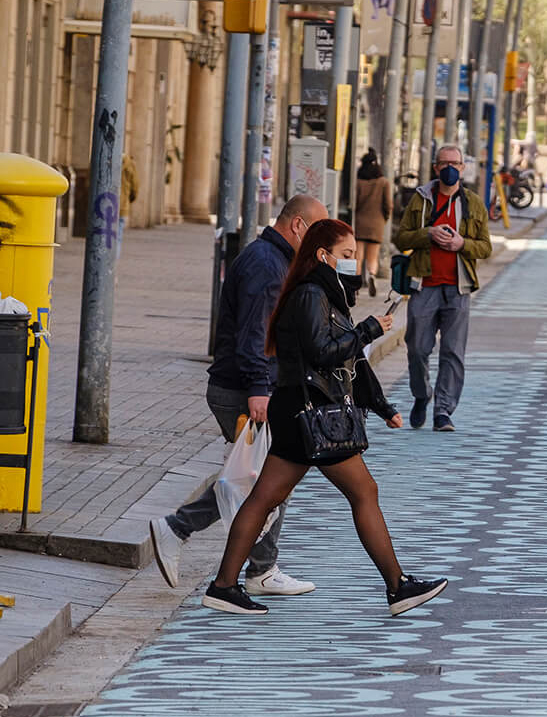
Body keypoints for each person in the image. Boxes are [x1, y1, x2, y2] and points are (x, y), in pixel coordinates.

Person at [200, 217, 448, 617]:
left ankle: (224, 586)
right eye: (346, 255)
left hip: (300, 410)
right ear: (323, 255)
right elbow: (324, 352)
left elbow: (347, 360)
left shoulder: (323, 292)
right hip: (312, 413)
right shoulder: (311, 294)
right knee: (363, 492)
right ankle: (397, 586)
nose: (353, 262)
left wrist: (383, 406)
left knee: (265, 497)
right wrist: (368, 330)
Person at [150, 194, 327, 597]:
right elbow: (254, 336)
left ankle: (260, 567)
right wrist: (259, 389)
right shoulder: (267, 266)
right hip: (244, 389)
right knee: (263, 479)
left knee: (261, 478)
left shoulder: (274, 259)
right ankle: (187, 533)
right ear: (298, 226)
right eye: (316, 231)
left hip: (252, 385)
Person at [392, 143, 494, 433]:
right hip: (424, 285)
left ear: (462, 168)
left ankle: (443, 411)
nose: (450, 168)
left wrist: (463, 244)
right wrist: (428, 234)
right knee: (417, 349)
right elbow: (401, 239)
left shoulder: (474, 203)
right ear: (436, 168)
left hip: (458, 288)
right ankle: (422, 395)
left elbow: (486, 247)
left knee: (453, 352)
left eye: (455, 163)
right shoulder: (421, 199)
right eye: (444, 163)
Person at [354, 151, 394, 292]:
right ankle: (371, 274)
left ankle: (356, 284)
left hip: (360, 222)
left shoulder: (359, 182)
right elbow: (388, 204)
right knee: (373, 256)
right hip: (377, 223)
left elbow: (356, 203)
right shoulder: (383, 182)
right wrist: (385, 218)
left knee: (357, 256)